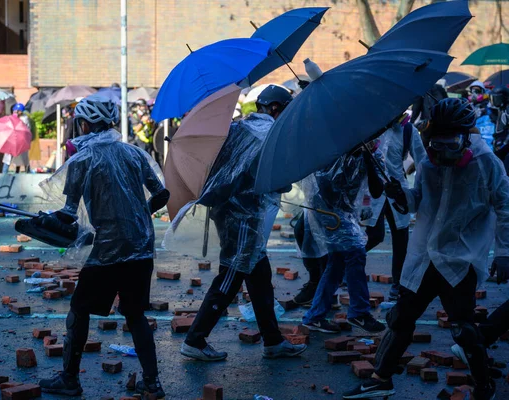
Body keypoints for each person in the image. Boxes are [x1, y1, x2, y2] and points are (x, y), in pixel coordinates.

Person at [344, 98, 509, 400]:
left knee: (465, 329)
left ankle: (484, 386)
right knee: (400, 319)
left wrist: (504, 252)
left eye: (452, 143)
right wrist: (400, 194)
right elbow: (417, 200)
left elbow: (505, 206)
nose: (443, 152)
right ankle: (381, 379)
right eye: (437, 143)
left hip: (461, 258)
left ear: (467, 136)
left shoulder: (487, 164)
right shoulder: (426, 163)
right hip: (424, 257)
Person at [38, 95, 170, 398]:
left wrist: (44, 221)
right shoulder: (134, 153)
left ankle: (70, 379)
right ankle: (152, 384)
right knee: (135, 315)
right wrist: (139, 212)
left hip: (107, 252)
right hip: (140, 247)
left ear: (84, 123)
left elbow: (69, 215)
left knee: (78, 311)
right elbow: (162, 194)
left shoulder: (82, 160)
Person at [180, 85, 307, 361]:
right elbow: (280, 182)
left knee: (259, 277)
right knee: (230, 277)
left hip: (229, 213)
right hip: (245, 219)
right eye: (285, 111)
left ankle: (273, 341)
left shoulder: (240, 127)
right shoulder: (270, 137)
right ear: (275, 109)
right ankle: (195, 339)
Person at [300, 142, 387, 335]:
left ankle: (315, 316)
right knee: (356, 250)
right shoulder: (333, 149)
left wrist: (367, 158)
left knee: (337, 262)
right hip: (326, 209)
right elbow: (324, 187)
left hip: (347, 212)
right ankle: (359, 312)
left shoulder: (373, 154)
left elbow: (377, 190)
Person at [364, 114, 427, 301]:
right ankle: (344, 266)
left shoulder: (408, 130)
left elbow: (422, 160)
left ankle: (398, 283)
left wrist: (422, 190)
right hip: (372, 190)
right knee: (374, 236)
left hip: (397, 189)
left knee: (401, 238)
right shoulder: (370, 127)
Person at [2, 103, 32, 173]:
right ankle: (4, 173)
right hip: (12, 140)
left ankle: (26, 171)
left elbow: (25, 128)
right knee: (8, 158)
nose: (15, 112)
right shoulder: (11, 117)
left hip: (21, 141)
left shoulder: (24, 118)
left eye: (17, 111)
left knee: (23, 158)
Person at [491, 86, 509, 172]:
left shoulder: (507, 110)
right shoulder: (501, 109)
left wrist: (504, 144)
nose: (494, 100)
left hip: (505, 148)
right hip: (499, 144)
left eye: (496, 98)